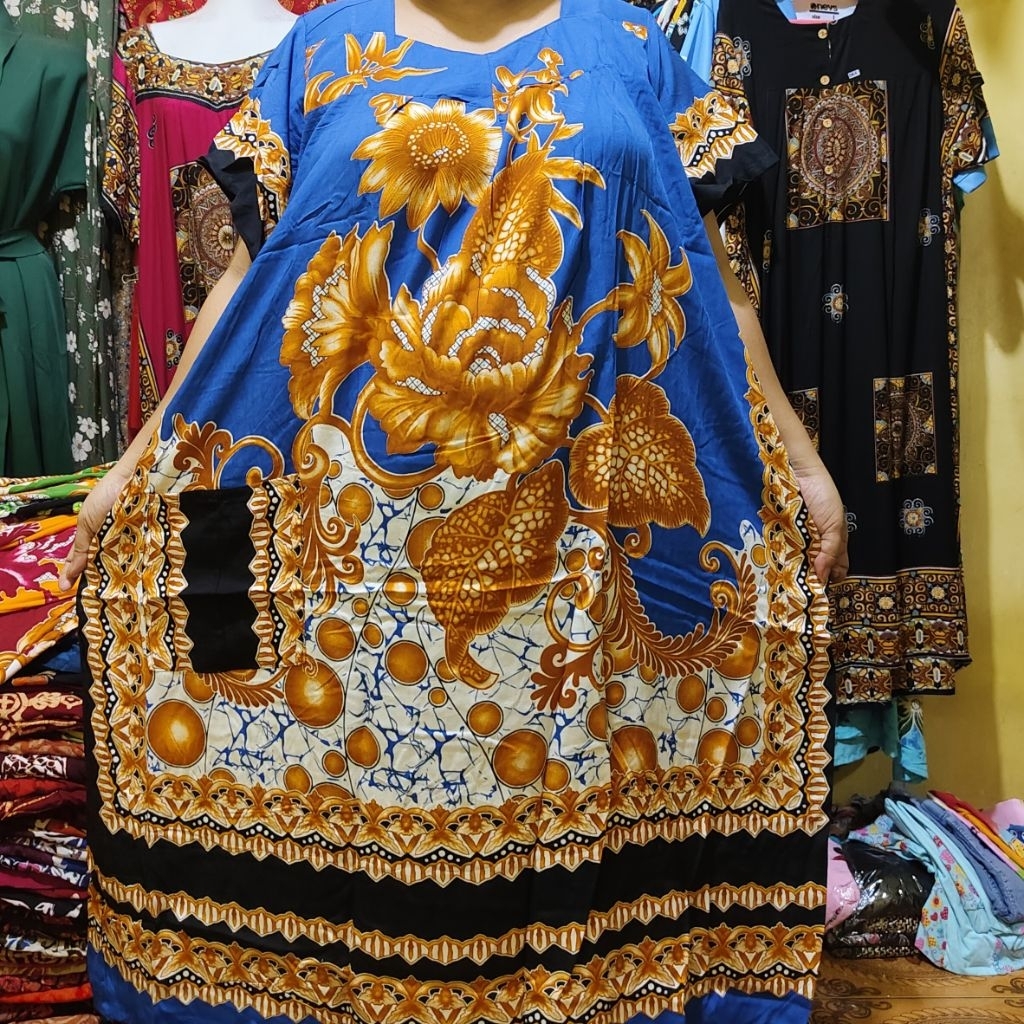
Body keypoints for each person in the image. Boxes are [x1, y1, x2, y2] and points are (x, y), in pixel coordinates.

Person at [62, 0, 847, 1021]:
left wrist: (801, 459)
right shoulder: (321, 50)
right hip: (363, 537)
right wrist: (135, 464)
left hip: (577, 540)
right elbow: (248, 279)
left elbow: (712, 280)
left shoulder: (629, 46)